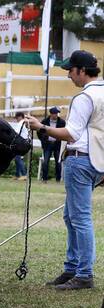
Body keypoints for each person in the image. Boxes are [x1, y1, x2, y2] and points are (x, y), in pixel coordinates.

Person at [26, 50, 104, 290]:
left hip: (80, 160)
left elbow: (71, 134)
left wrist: (41, 126)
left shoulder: (84, 97)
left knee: (79, 218)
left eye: (71, 70)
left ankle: (84, 274)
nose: (69, 75)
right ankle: (72, 268)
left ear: (82, 71)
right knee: (71, 217)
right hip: (97, 161)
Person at [38, 106, 66, 182]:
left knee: (58, 162)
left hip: (57, 144)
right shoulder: (44, 122)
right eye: (55, 113)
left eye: (57, 113)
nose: (56, 115)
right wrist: (43, 140)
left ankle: (58, 179)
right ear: (51, 114)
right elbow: (39, 132)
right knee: (46, 162)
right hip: (47, 144)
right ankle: (44, 178)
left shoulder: (62, 122)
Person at [12, 112, 29, 180]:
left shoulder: (21, 123)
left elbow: (16, 132)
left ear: (20, 117)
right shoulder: (24, 122)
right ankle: (17, 174)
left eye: (17, 118)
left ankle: (24, 175)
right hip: (24, 142)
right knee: (18, 159)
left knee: (18, 159)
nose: (16, 119)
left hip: (21, 143)